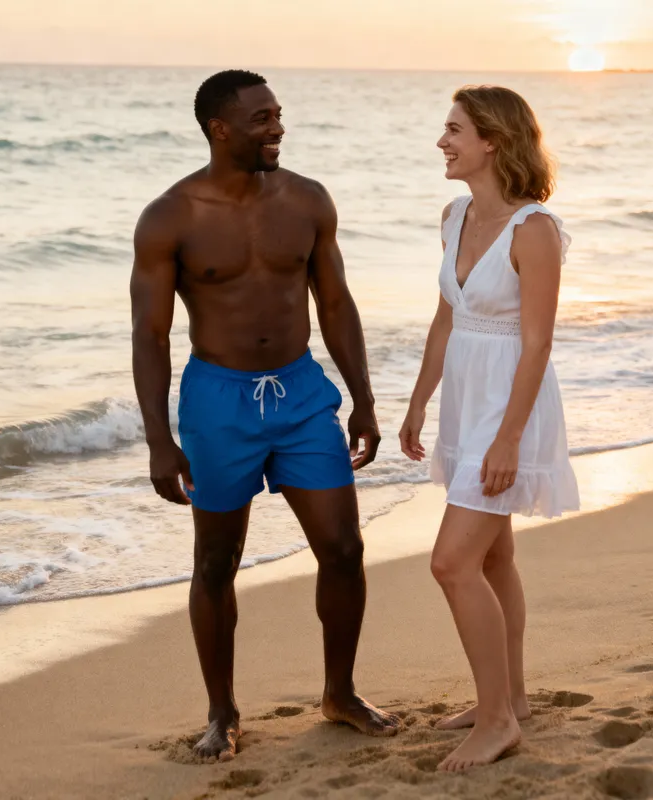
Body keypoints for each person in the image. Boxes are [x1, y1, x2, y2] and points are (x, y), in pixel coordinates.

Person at [130, 70, 400, 762]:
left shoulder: (307, 199)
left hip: (303, 394)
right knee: (216, 561)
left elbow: (335, 304)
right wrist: (160, 441)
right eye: (260, 120)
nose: (276, 128)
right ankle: (222, 713)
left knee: (343, 549)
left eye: (278, 115)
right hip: (218, 403)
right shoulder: (171, 216)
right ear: (220, 129)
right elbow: (151, 336)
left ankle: (339, 692)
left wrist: (363, 398)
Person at [399, 85, 580, 772]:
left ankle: (499, 718)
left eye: (454, 130)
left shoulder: (535, 231)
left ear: (493, 141)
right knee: (494, 557)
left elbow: (536, 344)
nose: (442, 142)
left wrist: (507, 438)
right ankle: (514, 697)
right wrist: (419, 401)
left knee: (452, 563)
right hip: (463, 401)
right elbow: (447, 316)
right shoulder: (455, 214)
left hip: (510, 405)